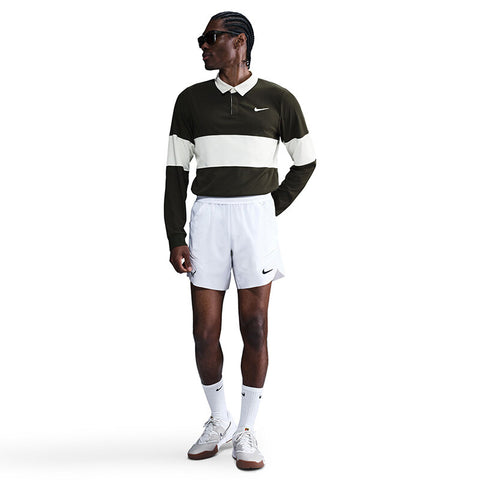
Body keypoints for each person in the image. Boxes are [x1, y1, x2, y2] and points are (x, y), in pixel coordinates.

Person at [164, 11, 316, 470]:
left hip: (255, 220)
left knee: (255, 326)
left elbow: (306, 161)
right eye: (202, 39)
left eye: (211, 38)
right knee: (204, 332)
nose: (203, 46)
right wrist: (175, 235)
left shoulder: (278, 99)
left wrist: (270, 206)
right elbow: (175, 174)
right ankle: (219, 419)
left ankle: (247, 429)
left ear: (241, 42)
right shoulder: (190, 100)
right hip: (208, 218)